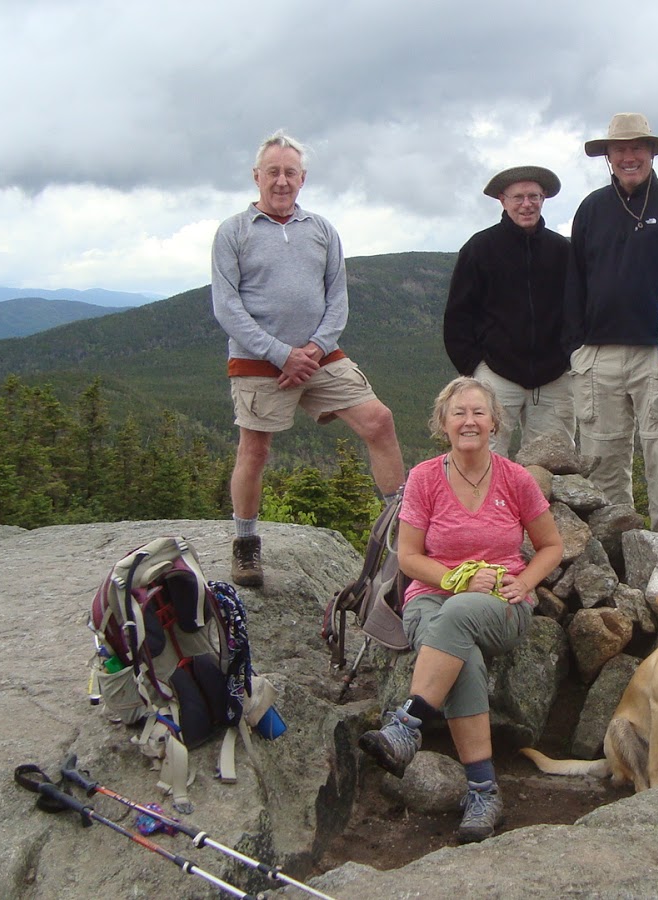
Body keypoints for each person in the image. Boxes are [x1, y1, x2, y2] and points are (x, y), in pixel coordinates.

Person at [358, 376, 564, 843]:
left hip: (501, 605)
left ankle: (408, 722)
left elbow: (552, 545)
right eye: (459, 413)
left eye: (478, 413)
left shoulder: (515, 479)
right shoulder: (425, 478)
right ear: (443, 424)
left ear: (495, 423)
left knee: (457, 620)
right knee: (459, 648)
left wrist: (526, 581)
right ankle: (483, 792)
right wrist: (457, 578)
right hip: (429, 597)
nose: (469, 421)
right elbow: (409, 558)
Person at [211, 130, 405, 588]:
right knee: (255, 450)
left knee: (378, 420)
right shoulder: (233, 231)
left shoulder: (320, 229)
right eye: (273, 172)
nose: (281, 181)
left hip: (320, 353)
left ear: (303, 179)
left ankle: (402, 533)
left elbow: (337, 298)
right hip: (259, 360)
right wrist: (280, 353)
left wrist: (315, 349)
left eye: (290, 173)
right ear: (256, 176)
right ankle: (245, 544)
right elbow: (227, 306)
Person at [564, 113, 658, 539]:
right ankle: (616, 551)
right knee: (602, 457)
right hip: (598, 352)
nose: (628, 156)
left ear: (652, 153)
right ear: (607, 155)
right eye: (619, 149)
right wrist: (576, 345)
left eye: (637, 147)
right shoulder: (590, 208)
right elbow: (576, 278)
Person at [443, 166, 574, 457]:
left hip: (555, 377)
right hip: (496, 374)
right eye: (518, 197)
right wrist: (475, 368)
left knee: (553, 465)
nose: (526, 204)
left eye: (534, 196)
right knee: (482, 457)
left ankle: (543, 507)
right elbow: (458, 316)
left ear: (544, 199)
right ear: (502, 200)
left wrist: (568, 357)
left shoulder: (562, 251)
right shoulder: (479, 249)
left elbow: (577, 309)